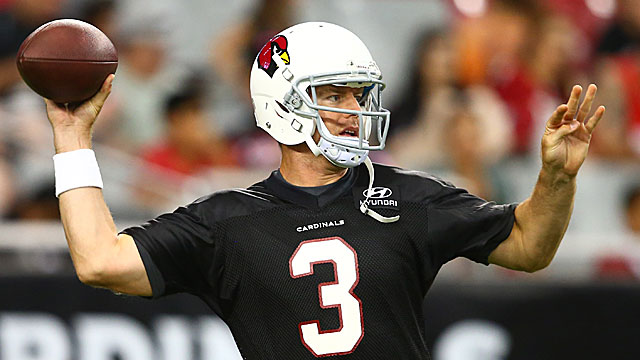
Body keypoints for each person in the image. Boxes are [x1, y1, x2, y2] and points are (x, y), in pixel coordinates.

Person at [44, 22, 604, 359]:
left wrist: (557, 177)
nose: (355, 112)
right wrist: (72, 137)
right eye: (336, 95)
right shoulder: (227, 221)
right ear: (282, 105)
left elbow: (531, 246)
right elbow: (99, 261)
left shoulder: (409, 196)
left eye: (361, 95)